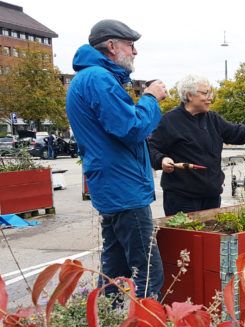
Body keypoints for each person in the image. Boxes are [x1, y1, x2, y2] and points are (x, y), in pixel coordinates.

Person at [66, 19, 168, 299]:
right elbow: (131, 128)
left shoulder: (89, 78)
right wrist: (150, 98)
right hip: (123, 188)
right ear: (111, 46)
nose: (135, 52)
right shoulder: (98, 78)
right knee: (148, 272)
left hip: (113, 186)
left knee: (115, 269)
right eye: (130, 45)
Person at [148, 74, 245, 216]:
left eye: (210, 92)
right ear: (189, 95)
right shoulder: (170, 120)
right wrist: (162, 160)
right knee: (186, 238)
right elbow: (152, 148)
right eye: (205, 93)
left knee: (210, 237)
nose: (210, 97)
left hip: (211, 197)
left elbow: (236, 133)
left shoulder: (213, 119)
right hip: (182, 199)